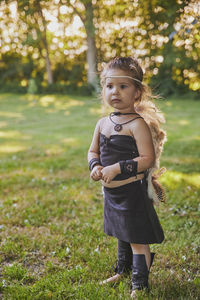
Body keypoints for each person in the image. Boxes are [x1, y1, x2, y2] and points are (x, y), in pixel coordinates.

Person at [88, 56, 166, 298]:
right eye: (110, 86)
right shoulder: (103, 123)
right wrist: (96, 166)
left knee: (137, 237)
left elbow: (147, 159)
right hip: (112, 193)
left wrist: (117, 168)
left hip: (132, 193)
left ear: (137, 93)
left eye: (123, 86)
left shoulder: (137, 124)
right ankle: (122, 270)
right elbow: (93, 151)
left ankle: (140, 284)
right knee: (121, 232)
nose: (115, 92)